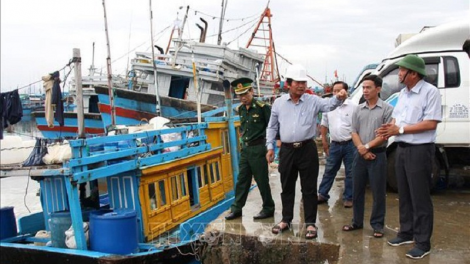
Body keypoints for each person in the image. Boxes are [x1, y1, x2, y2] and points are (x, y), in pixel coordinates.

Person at [266, 64, 347, 239]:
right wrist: (270, 147)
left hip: (307, 149)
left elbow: (328, 105)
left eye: (304, 82)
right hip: (286, 151)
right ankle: (286, 220)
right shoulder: (279, 103)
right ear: (288, 84)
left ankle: (310, 223)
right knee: (286, 186)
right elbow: (272, 127)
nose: (301, 86)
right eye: (298, 82)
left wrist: (339, 98)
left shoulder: (313, 100)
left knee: (309, 188)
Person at [376, 55, 442, 259]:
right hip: (402, 148)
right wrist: (390, 128)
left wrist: (400, 129)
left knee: (420, 197)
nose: (399, 74)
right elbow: (398, 117)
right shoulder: (403, 94)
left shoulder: (430, 92)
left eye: (402, 71)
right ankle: (406, 232)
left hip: (420, 150)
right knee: (404, 194)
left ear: (413, 73)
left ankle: (423, 242)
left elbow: (431, 123)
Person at [342, 74, 393, 239]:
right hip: (360, 155)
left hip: (377, 155)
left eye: (368, 87)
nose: (365, 90)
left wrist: (368, 147)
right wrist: (361, 149)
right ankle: (356, 222)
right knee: (357, 190)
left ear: (378, 89)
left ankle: (377, 225)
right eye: (363, 87)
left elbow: (385, 134)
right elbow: (354, 131)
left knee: (378, 192)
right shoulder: (358, 109)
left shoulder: (386, 109)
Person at [225, 77, 275, 220]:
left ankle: (268, 207)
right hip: (246, 150)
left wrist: (271, 147)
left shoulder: (262, 107)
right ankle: (237, 208)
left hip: (258, 148)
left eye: (245, 94)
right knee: (242, 180)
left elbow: (271, 127)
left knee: (261, 180)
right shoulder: (240, 109)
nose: (243, 98)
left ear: (252, 91)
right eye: (240, 95)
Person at [317, 81, 357, 208]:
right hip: (334, 144)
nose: (336, 93)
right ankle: (322, 194)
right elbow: (324, 125)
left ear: (346, 91)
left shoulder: (353, 106)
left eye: (339, 90)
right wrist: (324, 141)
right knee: (329, 170)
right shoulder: (328, 107)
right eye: (334, 91)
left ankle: (349, 197)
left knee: (350, 172)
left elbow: (358, 126)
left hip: (350, 144)